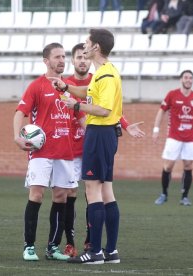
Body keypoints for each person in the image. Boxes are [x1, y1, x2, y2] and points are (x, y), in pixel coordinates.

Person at [52, 28, 134, 264]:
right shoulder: (103, 73)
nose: (84, 46)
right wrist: (67, 88)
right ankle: (110, 251)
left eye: (87, 42)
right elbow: (88, 93)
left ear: (96, 47)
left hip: (99, 133)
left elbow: (104, 109)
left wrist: (74, 107)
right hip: (106, 135)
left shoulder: (106, 75)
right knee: (106, 190)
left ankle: (95, 251)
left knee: (92, 190)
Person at [13, 42, 81, 262]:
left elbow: (81, 117)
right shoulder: (36, 86)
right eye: (57, 57)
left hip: (65, 151)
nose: (61, 60)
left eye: (63, 57)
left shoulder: (70, 87)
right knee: (37, 195)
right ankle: (29, 246)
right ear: (46, 61)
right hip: (41, 152)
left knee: (61, 197)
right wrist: (17, 137)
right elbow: (19, 113)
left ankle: (53, 247)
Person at [152, 70, 193, 207]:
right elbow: (161, 111)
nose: (188, 80)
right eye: (186, 77)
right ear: (181, 79)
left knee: (188, 166)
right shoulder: (172, 95)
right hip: (174, 137)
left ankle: (185, 197)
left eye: (190, 78)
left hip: (189, 139)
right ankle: (164, 194)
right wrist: (156, 130)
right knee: (168, 166)